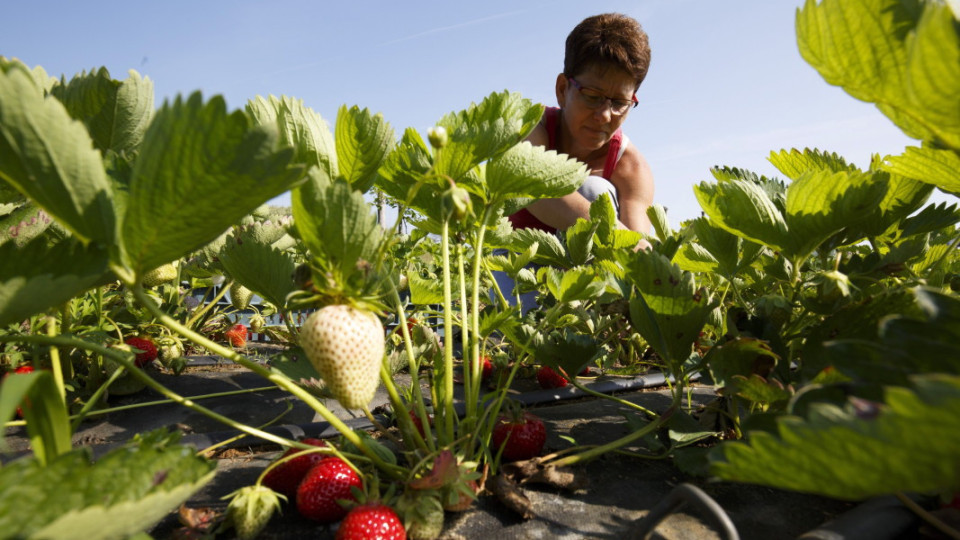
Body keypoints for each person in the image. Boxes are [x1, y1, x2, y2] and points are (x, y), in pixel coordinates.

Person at [509, 13, 654, 247]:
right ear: (562, 89)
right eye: (592, 96)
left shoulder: (630, 167)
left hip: (592, 274)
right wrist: (620, 238)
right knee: (589, 189)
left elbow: (638, 242)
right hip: (522, 265)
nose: (605, 115)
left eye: (619, 103)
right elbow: (533, 189)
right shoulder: (533, 126)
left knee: (596, 190)